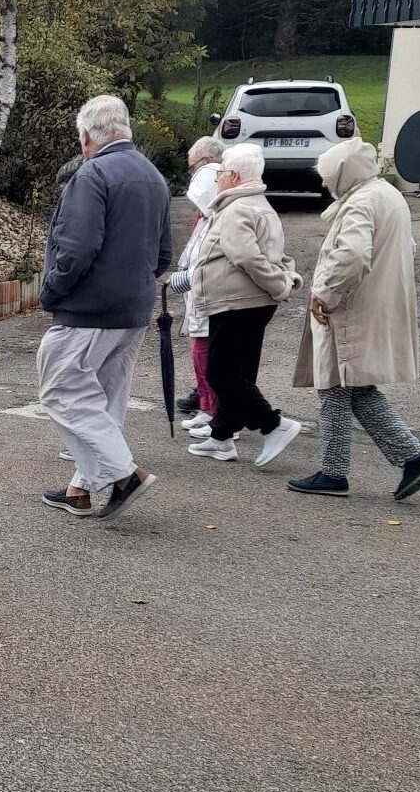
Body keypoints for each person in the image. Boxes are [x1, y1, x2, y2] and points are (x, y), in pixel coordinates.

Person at [37, 94, 172, 520]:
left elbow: (76, 248)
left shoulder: (92, 174)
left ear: (85, 137)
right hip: (133, 307)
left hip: (89, 307)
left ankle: (123, 475)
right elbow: (163, 254)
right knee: (105, 397)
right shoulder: (153, 175)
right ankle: (81, 488)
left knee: (61, 389)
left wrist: (51, 290)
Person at [287, 138, 420, 501]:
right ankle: (413, 457)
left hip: (352, 309)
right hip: (376, 302)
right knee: (354, 387)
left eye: (327, 175)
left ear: (344, 172)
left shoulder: (360, 202)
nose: (324, 182)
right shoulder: (387, 195)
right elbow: (406, 247)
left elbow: (353, 255)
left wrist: (325, 293)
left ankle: (335, 473)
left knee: (334, 386)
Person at [188, 141, 303, 468]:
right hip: (248, 301)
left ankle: (273, 425)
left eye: (222, 173)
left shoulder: (237, 208)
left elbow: (247, 257)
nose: (218, 178)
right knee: (237, 370)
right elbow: (274, 254)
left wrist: (279, 284)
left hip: (236, 302)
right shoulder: (260, 204)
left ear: (235, 176)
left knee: (220, 371)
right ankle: (222, 436)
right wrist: (283, 279)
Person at [167, 139, 225, 441]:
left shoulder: (221, 212)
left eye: (193, 167)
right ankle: (207, 407)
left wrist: (184, 278)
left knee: (208, 352)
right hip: (200, 291)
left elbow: (212, 258)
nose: (193, 175)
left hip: (211, 293)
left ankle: (217, 413)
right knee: (199, 349)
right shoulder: (207, 213)